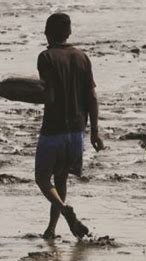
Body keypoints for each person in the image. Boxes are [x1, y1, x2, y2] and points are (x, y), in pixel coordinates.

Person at [35, 12, 104, 241]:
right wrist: (94, 131)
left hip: (53, 128)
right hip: (76, 131)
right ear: (69, 33)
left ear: (47, 33)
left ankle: (65, 212)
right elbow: (92, 97)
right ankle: (51, 230)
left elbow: (49, 94)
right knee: (61, 179)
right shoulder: (82, 57)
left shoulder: (46, 57)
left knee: (43, 179)